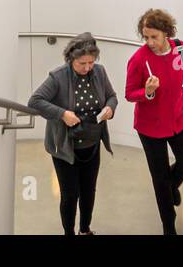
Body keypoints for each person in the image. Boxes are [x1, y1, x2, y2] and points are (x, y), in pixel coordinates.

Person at [28, 33, 117, 235]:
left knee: (88, 192)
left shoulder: (100, 72)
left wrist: (110, 108)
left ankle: (85, 230)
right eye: (81, 63)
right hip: (66, 148)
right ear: (70, 59)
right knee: (70, 195)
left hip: (91, 144)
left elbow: (111, 96)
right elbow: (34, 101)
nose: (87, 68)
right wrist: (62, 114)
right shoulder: (58, 77)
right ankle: (68, 233)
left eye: (91, 63)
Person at [125, 8, 183, 234]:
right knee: (159, 179)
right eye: (146, 37)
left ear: (167, 33)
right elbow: (129, 93)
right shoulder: (138, 60)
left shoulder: (181, 49)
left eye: (154, 37)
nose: (149, 42)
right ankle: (169, 226)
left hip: (179, 119)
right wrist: (147, 92)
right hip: (151, 127)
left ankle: (171, 187)